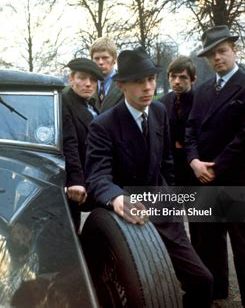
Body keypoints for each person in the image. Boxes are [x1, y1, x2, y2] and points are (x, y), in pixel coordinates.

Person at [85, 47, 213, 308]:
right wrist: (117, 198)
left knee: (203, 282)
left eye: (151, 80)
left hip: (164, 213)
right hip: (126, 221)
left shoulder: (158, 112)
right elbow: (97, 176)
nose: (147, 87)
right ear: (121, 85)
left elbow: (166, 162)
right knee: (143, 294)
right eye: (138, 81)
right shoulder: (103, 125)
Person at [185, 25, 245, 308]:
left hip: (236, 181)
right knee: (209, 243)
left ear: (234, 51)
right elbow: (191, 130)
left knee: (244, 246)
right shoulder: (203, 90)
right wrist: (194, 161)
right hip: (204, 177)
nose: (217, 58)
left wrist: (215, 168)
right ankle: (216, 292)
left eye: (222, 51)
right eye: (212, 54)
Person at [62, 58, 103, 232]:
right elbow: (69, 143)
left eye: (93, 80)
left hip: (96, 175)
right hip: (76, 182)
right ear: (71, 79)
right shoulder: (64, 103)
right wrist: (76, 180)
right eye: (82, 78)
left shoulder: (91, 105)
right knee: (71, 232)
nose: (88, 84)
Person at [159, 56, 196, 186]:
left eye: (183, 77)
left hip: (194, 167)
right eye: (173, 76)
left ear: (192, 79)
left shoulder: (201, 102)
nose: (177, 81)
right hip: (170, 168)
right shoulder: (162, 103)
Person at [89, 37, 124, 112]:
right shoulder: (87, 84)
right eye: (96, 58)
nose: (100, 62)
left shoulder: (125, 84)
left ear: (114, 59)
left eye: (105, 58)